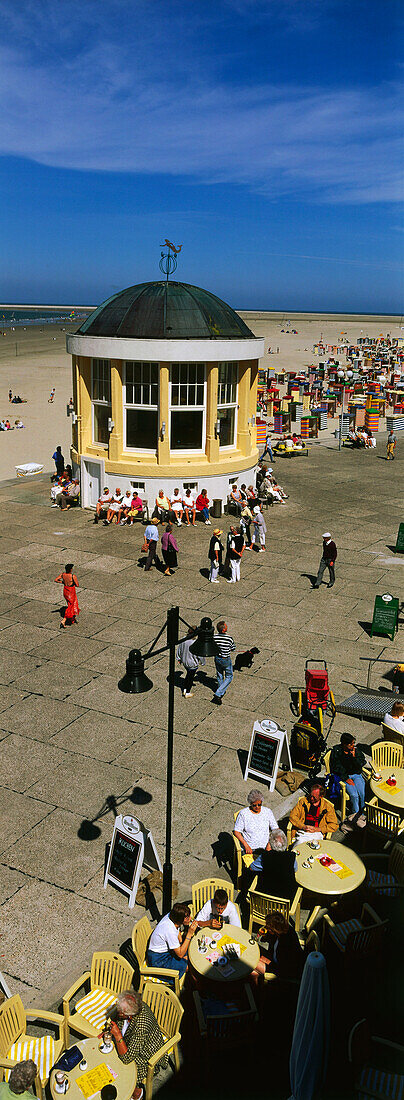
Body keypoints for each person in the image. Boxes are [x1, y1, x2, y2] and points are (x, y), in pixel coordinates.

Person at [108, 989, 167, 1100]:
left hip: (146, 1053)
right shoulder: (131, 1007)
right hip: (132, 1041)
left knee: (125, 1069)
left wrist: (117, 1035)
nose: (117, 1010)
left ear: (128, 1014)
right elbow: (119, 1021)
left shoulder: (141, 1026)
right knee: (110, 1056)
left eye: (120, 1010)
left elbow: (127, 1058)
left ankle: (137, 1093)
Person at [147, 901, 198, 980]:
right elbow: (180, 954)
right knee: (187, 965)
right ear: (180, 919)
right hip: (158, 960)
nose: (190, 919)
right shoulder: (169, 930)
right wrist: (189, 934)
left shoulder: (171, 916)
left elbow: (178, 935)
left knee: (191, 955)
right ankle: (194, 983)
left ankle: (194, 980)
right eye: (187, 917)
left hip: (166, 952)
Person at [252, 912, 303, 982]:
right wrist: (262, 935)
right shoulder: (281, 931)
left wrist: (266, 961)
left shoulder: (286, 943)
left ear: (275, 929)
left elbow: (283, 966)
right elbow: (265, 940)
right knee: (254, 971)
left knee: (252, 963)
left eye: (268, 927)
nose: (266, 928)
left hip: (282, 970)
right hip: (275, 959)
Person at [330, 733, 367, 828]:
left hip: (356, 774)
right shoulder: (337, 751)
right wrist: (346, 777)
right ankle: (356, 814)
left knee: (362, 793)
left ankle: (362, 812)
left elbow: (362, 763)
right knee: (354, 795)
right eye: (350, 744)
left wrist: (354, 757)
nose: (353, 745)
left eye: (353, 743)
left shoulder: (356, 751)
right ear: (344, 744)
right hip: (345, 776)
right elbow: (336, 767)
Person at [249, 829, 297, 901]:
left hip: (265, 900)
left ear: (271, 844)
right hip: (286, 901)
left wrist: (266, 852)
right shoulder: (291, 856)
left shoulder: (264, 856)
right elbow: (295, 869)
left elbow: (252, 868)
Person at [234, 789, 278, 859]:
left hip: (266, 846)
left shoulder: (267, 812)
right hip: (251, 848)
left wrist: (269, 844)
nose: (257, 807)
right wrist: (246, 845)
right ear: (250, 803)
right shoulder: (243, 814)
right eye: (254, 805)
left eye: (259, 804)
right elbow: (236, 831)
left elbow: (276, 829)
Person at [177, 625, 205, 697]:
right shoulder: (196, 642)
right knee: (190, 678)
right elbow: (199, 654)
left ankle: (185, 690)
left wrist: (178, 658)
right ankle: (187, 692)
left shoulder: (184, 639)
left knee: (188, 675)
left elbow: (179, 649)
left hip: (185, 662)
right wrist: (203, 662)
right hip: (192, 663)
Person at [213, 620, 236, 705]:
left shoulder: (214, 637)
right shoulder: (229, 638)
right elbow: (233, 648)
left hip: (217, 658)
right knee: (229, 676)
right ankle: (218, 693)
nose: (227, 627)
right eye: (226, 626)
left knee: (219, 675)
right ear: (223, 630)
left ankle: (221, 691)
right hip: (225, 659)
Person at [55, 563, 80, 627]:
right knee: (71, 605)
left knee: (70, 604)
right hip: (71, 591)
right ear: (71, 569)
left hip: (66, 590)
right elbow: (77, 585)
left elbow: (56, 580)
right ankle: (64, 620)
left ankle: (72, 619)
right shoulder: (73, 576)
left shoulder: (63, 574)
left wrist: (63, 582)